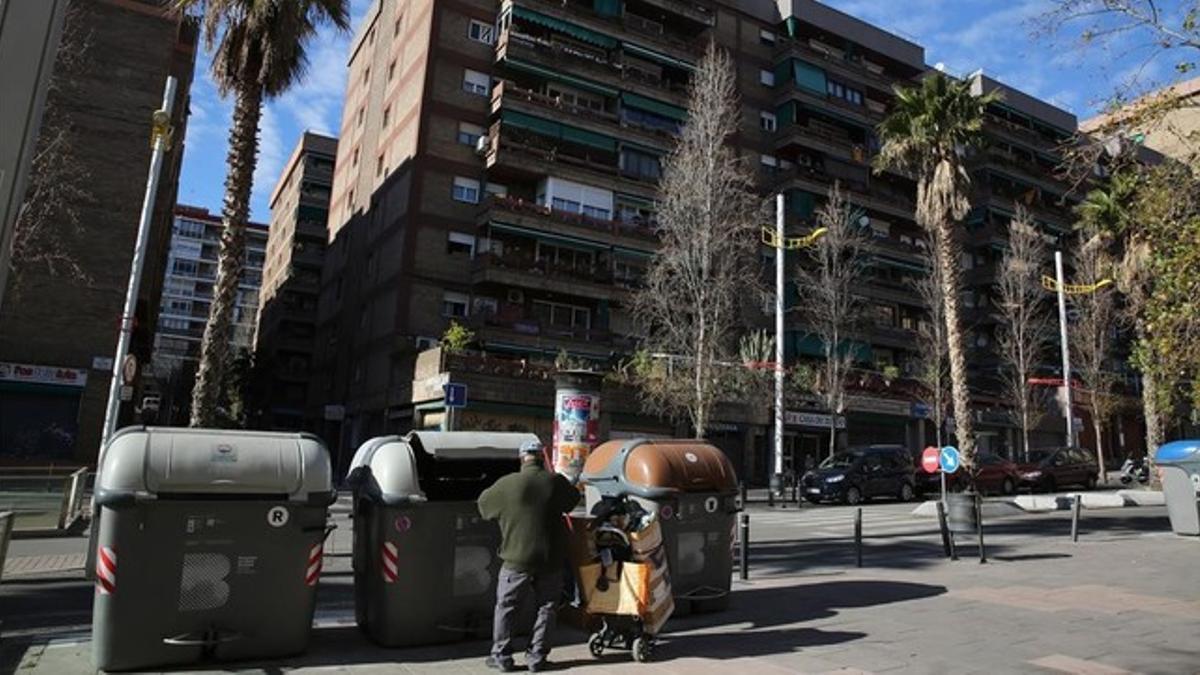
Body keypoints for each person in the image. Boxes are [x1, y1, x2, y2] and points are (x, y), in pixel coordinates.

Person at [478, 439, 579, 672]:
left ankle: (502, 657)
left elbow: (483, 506)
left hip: (516, 560)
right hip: (549, 559)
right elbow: (572, 500)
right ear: (542, 458)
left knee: (506, 607)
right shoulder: (555, 481)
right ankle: (537, 658)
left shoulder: (506, 484)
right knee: (547, 607)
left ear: (521, 458)